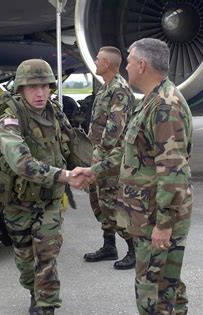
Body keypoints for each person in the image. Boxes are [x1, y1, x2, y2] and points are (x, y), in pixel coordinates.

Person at [73, 38, 193, 315]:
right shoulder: (151, 101)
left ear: (142, 65)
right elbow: (132, 154)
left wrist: (164, 224)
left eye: (128, 61)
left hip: (157, 219)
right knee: (168, 286)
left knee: (152, 295)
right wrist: (95, 171)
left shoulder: (165, 106)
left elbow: (173, 170)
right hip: (148, 215)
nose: (124, 66)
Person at [0, 59, 91, 315]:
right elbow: (21, 164)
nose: (40, 93)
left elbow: (71, 145)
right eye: (32, 87)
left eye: (45, 87)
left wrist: (91, 172)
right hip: (18, 203)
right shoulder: (9, 121)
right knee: (25, 261)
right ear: (21, 89)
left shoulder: (56, 113)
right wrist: (66, 176)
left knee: (47, 257)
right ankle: (32, 291)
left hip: (49, 201)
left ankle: (46, 306)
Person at [84, 46, 136, 270]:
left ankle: (134, 249)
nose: (95, 62)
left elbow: (115, 127)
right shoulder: (106, 87)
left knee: (112, 203)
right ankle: (109, 246)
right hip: (98, 152)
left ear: (107, 64)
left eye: (98, 59)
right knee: (98, 200)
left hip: (111, 156)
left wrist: (101, 153)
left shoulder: (120, 89)